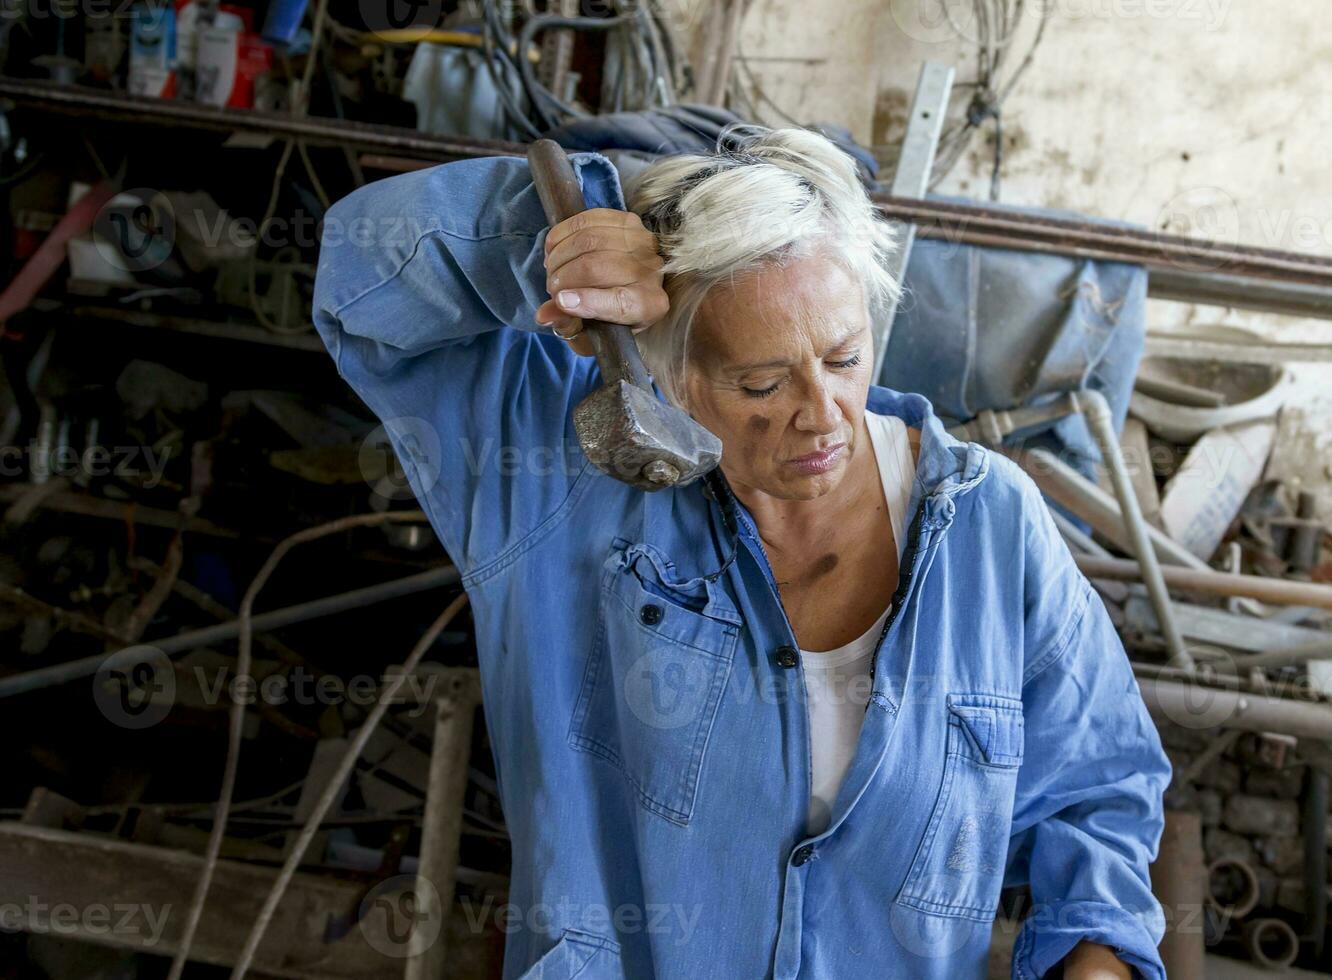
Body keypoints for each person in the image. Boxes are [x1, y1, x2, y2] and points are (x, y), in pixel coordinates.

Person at [312, 125, 1171, 980]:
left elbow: (1098, 791)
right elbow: (359, 274)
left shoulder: (991, 530)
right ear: (667, 366)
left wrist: (1097, 957)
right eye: (760, 384)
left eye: (843, 358)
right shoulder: (565, 479)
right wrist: (562, 238)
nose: (822, 412)